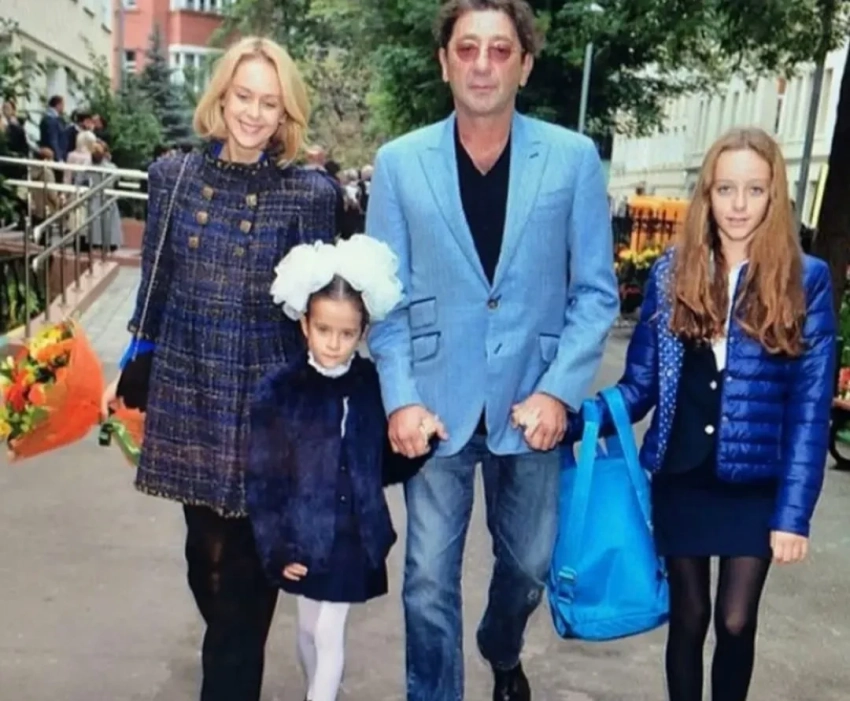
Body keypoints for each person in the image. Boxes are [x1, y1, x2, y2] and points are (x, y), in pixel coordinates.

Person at [365, 1, 619, 699]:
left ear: (525, 65)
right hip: (435, 405)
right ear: (444, 61)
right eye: (468, 48)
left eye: (501, 49)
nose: (483, 64)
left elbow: (596, 293)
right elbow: (382, 299)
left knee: (530, 565)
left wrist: (558, 390)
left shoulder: (572, 160)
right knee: (425, 581)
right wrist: (400, 398)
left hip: (531, 402)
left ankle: (501, 646)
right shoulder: (399, 164)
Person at [100, 36, 339, 701]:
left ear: (286, 112)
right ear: (222, 97)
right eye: (244, 97)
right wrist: (134, 360)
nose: (254, 114)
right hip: (191, 387)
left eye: (270, 102)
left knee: (241, 583)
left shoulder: (308, 193)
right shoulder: (173, 178)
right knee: (203, 560)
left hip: (268, 404)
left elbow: (321, 311)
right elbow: (155, 282)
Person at [591, 127, 835, 701]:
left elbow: (809, 411)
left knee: (735, 620)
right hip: (683, 473)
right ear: (708, 193)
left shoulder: (806, 279)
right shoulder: (673, 272)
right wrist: (573, 418)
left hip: (757, 482)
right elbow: (640, 385)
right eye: (726, 189)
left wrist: (793, 515)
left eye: (754, 189)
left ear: (774, 195)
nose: (739, 204)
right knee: (690, 617)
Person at [246, 235, 443, 701]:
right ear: (304, 324)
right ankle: (321, 689)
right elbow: (263, 480)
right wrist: (276, 546)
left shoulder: (372, 386)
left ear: (363, 331)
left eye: (347, 333)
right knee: (307, 629)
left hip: (354, 536)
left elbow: (383, 467)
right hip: (303, 535)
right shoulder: (280, 391)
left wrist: (423, 440)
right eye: (323, 330)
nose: (334, 343)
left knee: (328, 631)